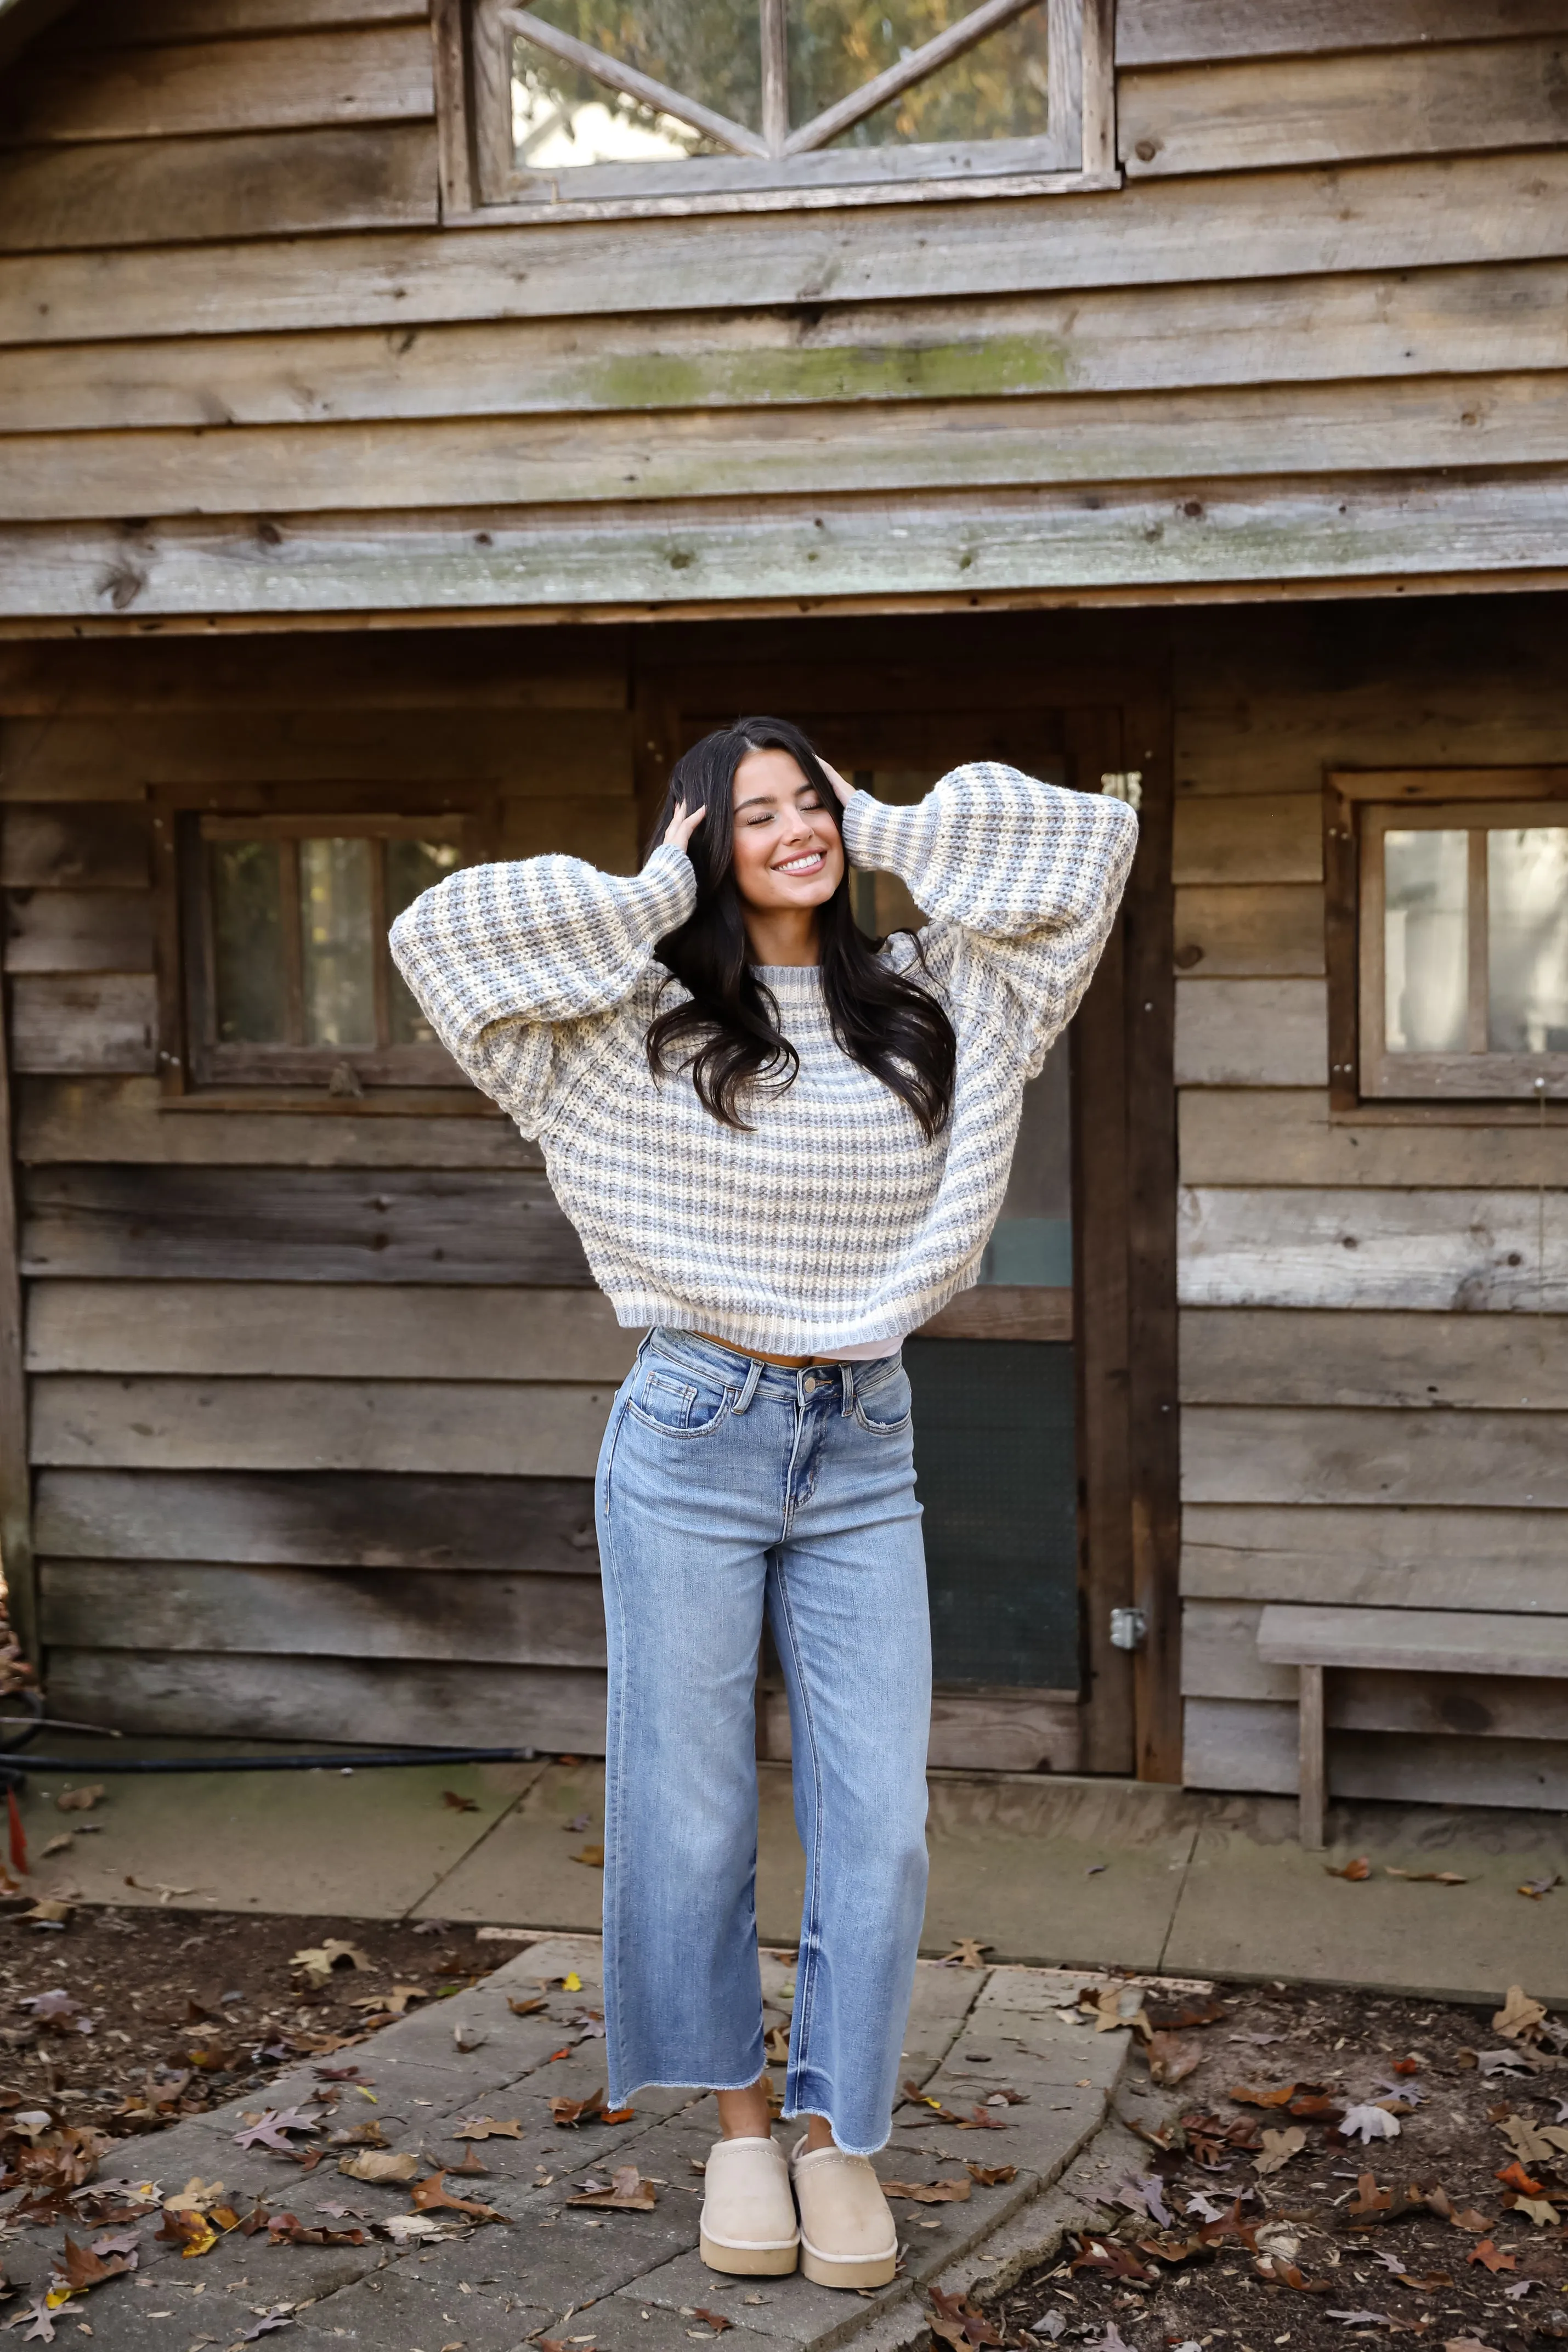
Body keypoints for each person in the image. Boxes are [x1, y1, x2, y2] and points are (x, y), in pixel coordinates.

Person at [389, 719, 1135, 2290]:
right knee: (692, 1804)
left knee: (879, 1823)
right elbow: (436, 934)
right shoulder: (619, 1019)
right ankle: (739, 2126)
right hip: (690, 1429)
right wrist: (659, 887)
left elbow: (1089, 845)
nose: (794, 825)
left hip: (865, 1436)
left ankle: (835, 2132)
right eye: (756, 811)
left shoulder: (945, 997)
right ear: (692, 843)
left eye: (811, 797)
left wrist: (881, 825)